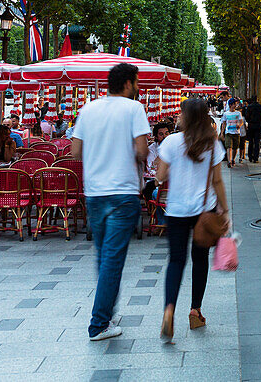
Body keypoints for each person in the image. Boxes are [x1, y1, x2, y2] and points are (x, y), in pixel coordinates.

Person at [71, 62, 152, 341]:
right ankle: (99, 324)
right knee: (112, 260)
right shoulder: (134, 109)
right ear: (129, 83)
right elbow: (142, 151)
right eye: (137, 82)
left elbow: (74, 151)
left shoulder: (88, 109)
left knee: (103, 255)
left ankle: (106, 312)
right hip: (123, 191)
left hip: (94, 192)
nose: (138, 87)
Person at [155, 97, 228, 341]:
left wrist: (155, 179)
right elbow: (217, 181)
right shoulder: (212, 144)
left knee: (176, 261)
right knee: (200, 260)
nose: (177, 117)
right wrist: (225, 210)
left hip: (176, 211)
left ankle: (169, 310)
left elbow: (161, 175)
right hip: (203, 212)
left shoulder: (171, 142)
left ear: (187, 117)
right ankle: (195, 310)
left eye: (180, 113)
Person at [220, 99, 244, 165]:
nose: (235, 105)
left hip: (236, 133)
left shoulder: (238, 113)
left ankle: (233, 159)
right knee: (229, 146)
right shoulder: (226, 114)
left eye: (235, 104)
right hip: (228, 132)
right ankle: (229, 161)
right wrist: (222, 133)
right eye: (234, 104)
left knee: (235, 148)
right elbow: (224, 123)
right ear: (230, 105)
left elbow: (241, 121)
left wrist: (239, 125)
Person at [243, 96, 261, 163]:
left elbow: (247, 116)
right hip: (258, 125)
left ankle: (250, 156)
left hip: (251, 125)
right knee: (257, 142)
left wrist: (249, 121)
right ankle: (256, 157)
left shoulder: (249, 107)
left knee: (251, 142)